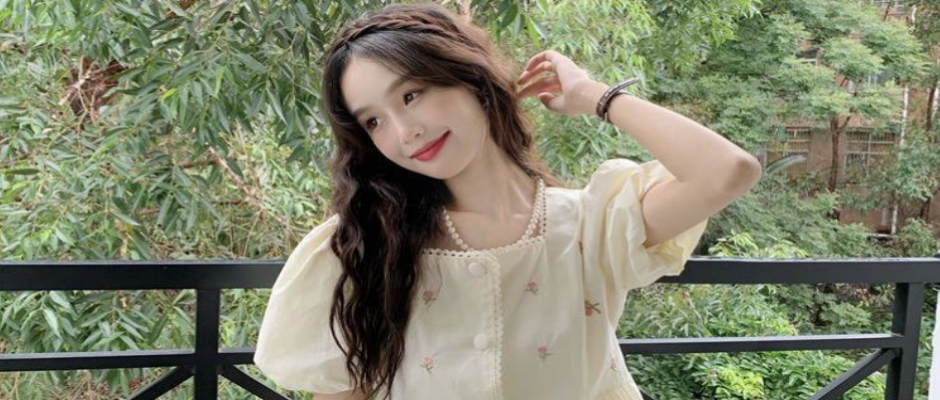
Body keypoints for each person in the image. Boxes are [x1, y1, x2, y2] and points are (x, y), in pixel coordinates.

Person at [254, 3, 762, 400]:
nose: (404, 132)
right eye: (374, 121)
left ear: (471, 79)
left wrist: (595, 96)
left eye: (411, 95)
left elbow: (728, 171)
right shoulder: (363, 243)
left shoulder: (593, 224)